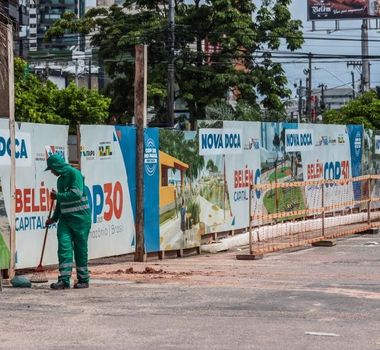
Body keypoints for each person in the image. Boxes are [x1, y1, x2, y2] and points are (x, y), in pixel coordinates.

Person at [45, 154, 92, 290]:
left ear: (57, 166)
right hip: (65, 220)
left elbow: (76, 194)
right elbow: (60, 203)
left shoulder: (74, 174)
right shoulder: (60, 181)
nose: (52, 172)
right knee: (64, 247)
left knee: (80, 250)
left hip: (81, 220)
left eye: (52, 169)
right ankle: (64, 280)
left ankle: (83, 279)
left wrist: (57, 195)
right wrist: (53, 218)